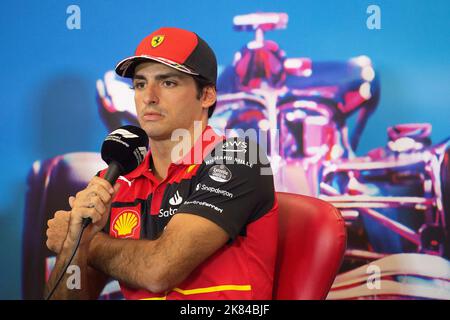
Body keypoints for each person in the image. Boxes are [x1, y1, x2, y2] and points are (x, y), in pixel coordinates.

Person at [45, 26, 278, 300]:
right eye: (141, 84)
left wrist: (85, 244)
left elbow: (159, 270)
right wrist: (73, 248)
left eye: (168, 83)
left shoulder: (238, 158)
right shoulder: (115, 179)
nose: (149, 97)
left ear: (207, 96)